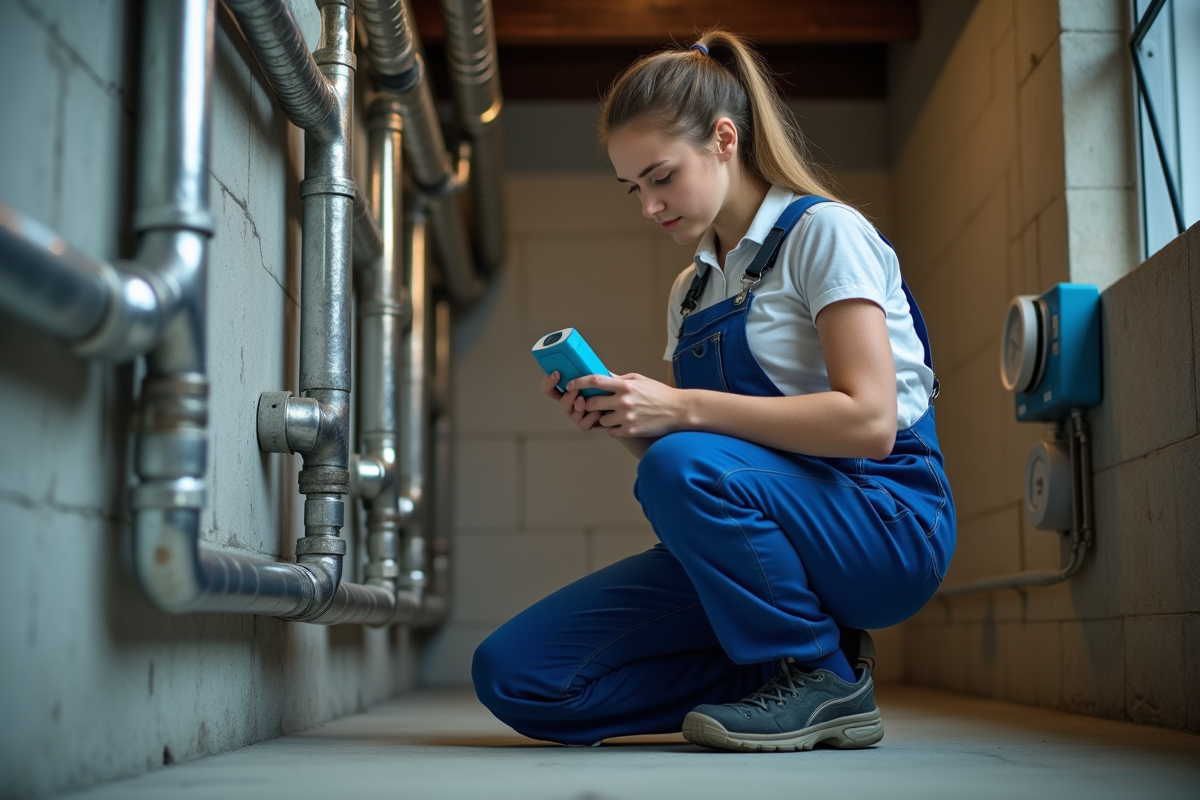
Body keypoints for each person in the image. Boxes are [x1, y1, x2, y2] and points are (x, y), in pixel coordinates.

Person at [471, 29, 956, 753]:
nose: (648, 206)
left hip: (883, 522)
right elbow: (707, 473)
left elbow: (870, 422)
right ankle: (769, 676)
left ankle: (821, 676)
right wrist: (630, 422)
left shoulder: (825, 234)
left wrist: (680, 411)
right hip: (767, 542)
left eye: (661, 177)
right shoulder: (692, 288)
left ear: (724, 139)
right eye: (633, 188)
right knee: (517, 675)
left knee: (681, 460)